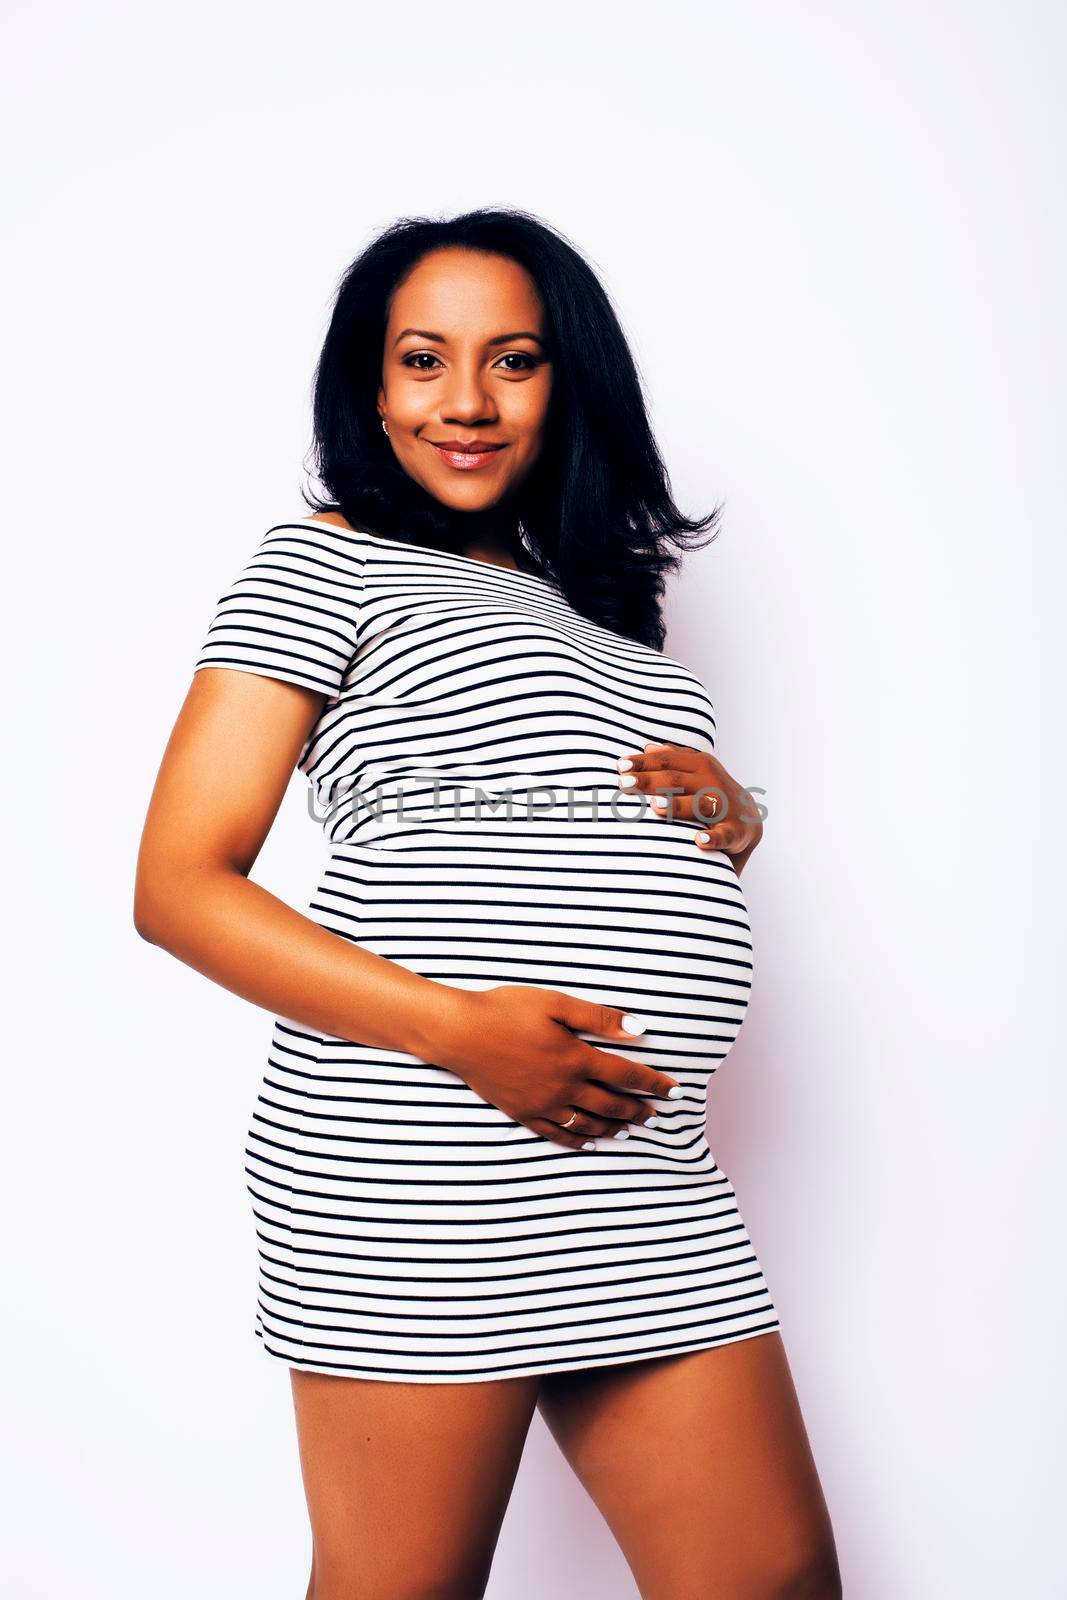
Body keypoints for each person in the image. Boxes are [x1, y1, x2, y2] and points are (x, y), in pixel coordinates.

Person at [134, 208, 841, 1600]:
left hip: (644, 1170)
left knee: (771, 1578)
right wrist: (464, 1033)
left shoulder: (602, 610)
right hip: (425, 1157)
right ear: (372, 386)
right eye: (422, 360)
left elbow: (549, 824)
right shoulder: (324, 560)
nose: (465, 401)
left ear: (566, 380)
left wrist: (733, 818)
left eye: (511, 360)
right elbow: (178, 886)